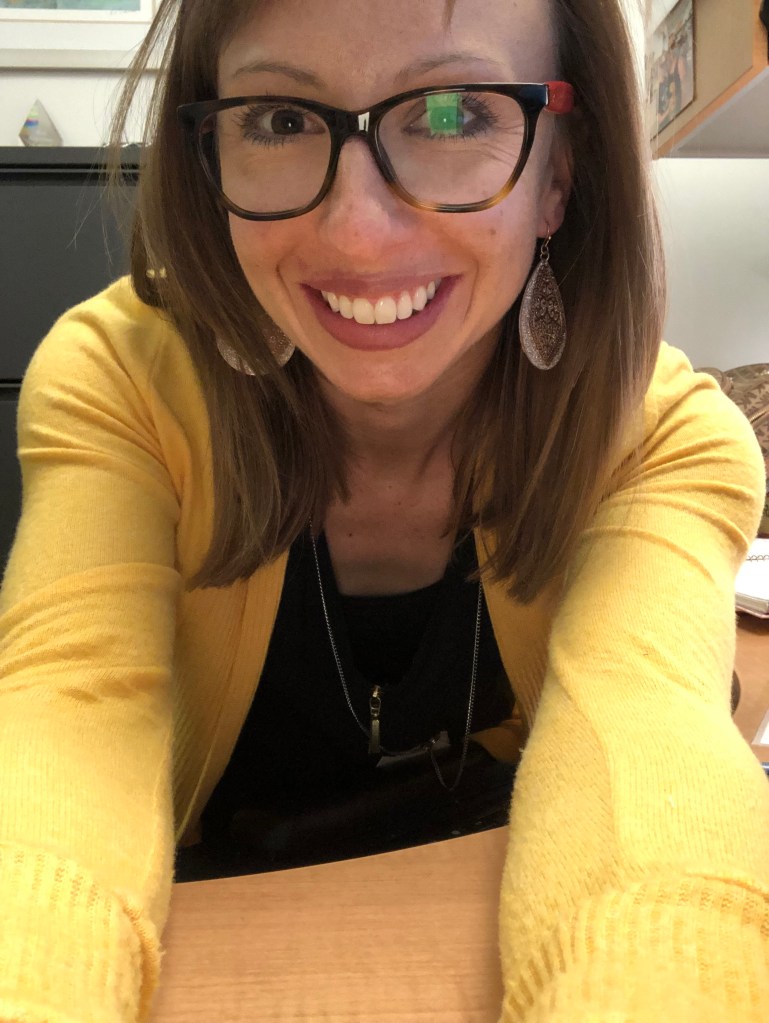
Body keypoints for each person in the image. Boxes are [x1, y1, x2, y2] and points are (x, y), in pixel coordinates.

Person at [1, 0, 768, 1020]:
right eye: (278, 119)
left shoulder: (662, 441)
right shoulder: (120, 382)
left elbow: (649, 773)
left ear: (560, 174)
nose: (357, 232)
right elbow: (65, 733)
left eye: (453, 114)